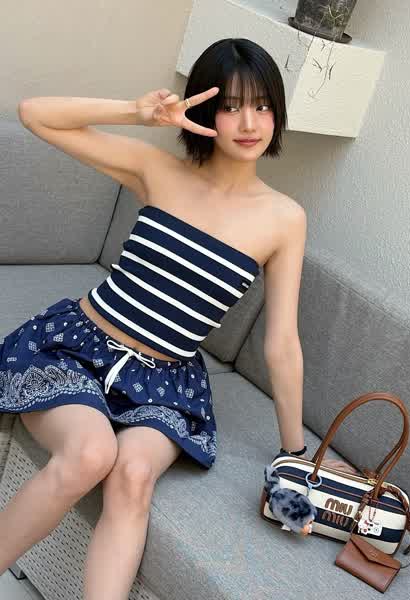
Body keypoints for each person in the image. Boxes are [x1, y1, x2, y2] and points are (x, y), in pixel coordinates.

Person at [0, 37, 358, 597]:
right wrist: (136, 112)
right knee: (91, 454)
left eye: (263, 105)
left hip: (166, 383)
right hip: (76, 351)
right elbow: (34, 114)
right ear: (205, 110)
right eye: (231, 105)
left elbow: (282, 345)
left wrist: (296, 456)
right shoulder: (158, 170)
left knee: (132, 476)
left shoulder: (284, 219)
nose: (249, 122)